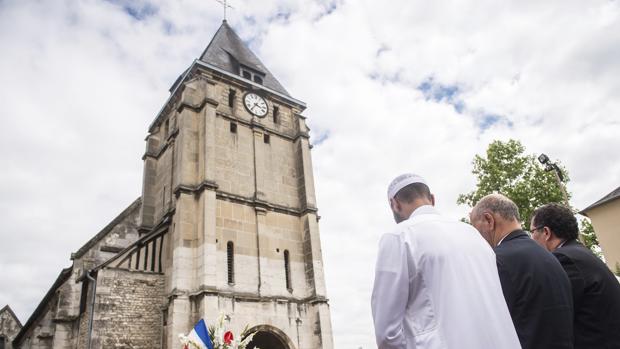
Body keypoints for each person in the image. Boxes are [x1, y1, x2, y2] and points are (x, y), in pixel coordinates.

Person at [371, 174, 520, 349]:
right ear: (432, 199)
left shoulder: (399, 237)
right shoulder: (474, 235)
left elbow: (387, 334)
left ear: (394, 204)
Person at [470, 194, 573, 349]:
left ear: (489, 220)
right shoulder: (550, 255)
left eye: (475, 228)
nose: (476, 236)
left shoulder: (496, 260)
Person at [531, 203, 620, 349]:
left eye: (532, 232)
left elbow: (552, 315)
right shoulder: (579, 253)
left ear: (546, 232)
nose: (531, 238)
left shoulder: (564, 260)